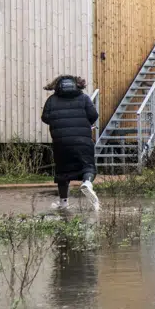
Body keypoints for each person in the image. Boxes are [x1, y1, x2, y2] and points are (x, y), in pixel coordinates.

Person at [41, 75, 99, 212]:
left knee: (62, 172)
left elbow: (45, 118)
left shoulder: (52, 100)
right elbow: (94, 115)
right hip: (82, 140)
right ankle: (87, 183)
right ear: (77, 84)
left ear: (57, 86)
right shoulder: (84, 98)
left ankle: (63, 203)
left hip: (61, 142)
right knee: (88, 167)